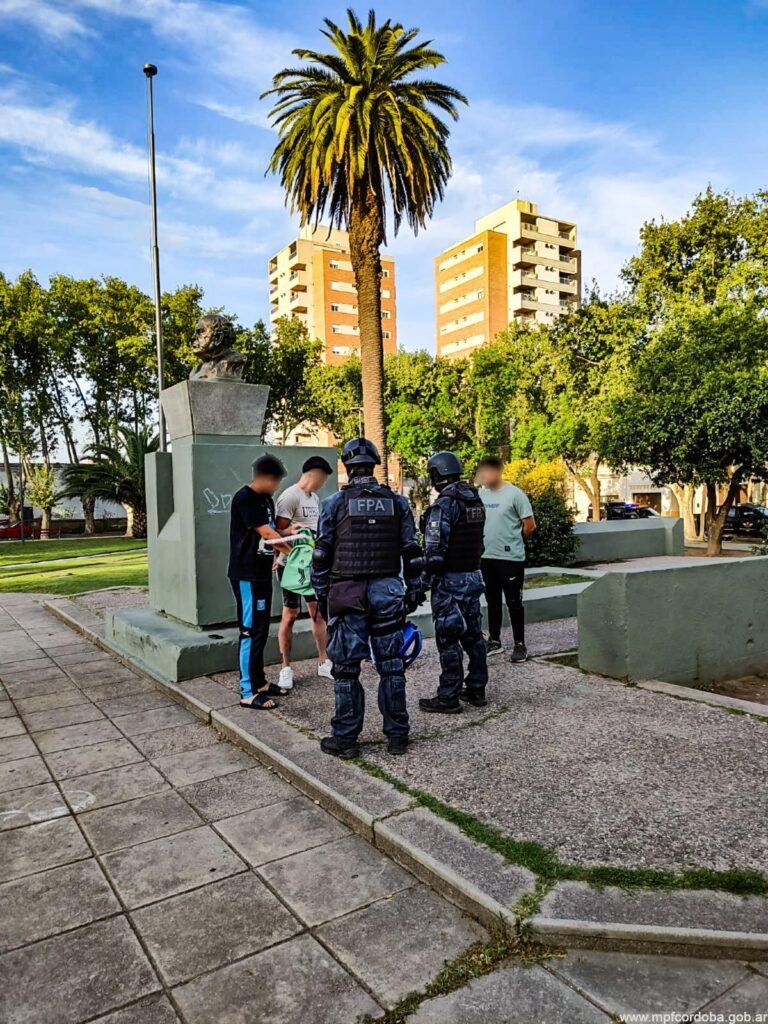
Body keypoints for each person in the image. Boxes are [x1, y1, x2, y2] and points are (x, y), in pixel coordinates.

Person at [311, 438, 424, 758]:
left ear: (347, 465)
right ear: (374, 464)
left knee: (346, 670)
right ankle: (398, 737)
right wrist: (415, 587)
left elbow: (321, 554)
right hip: (388, 591)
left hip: (347, 593)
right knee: (392, 666)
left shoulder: (333, 503)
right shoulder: (398, 503)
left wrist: (322, 594)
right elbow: (412, 552)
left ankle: (345, 740)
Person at [419, 451, 488, 713]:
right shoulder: (474, 499)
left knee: (448, 638)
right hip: (473, 576)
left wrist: (422, 584)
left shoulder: (445, 505)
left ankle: (448, 695)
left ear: (437, 474)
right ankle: (477, 688)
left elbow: (435, 554)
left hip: (450, 582)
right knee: (473, 636)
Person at [228, 454, 293, 710]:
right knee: (249, 631)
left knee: (261, 630)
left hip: (263, 572)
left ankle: (259, 682)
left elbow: (273, 530)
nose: (277, 488)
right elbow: (266, 533)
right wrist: (296, 553)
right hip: (246, 575)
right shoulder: (245, 498)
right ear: (265, 478)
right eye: (276, 482)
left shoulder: (265, 499)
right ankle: (246, 690)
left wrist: (292, 532)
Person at [275, 456, 335, 691]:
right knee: (289, 615)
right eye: (323, 477)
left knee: (317, 614)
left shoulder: (315, 498)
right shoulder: (289, 496)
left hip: (312, 566)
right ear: (315, 474)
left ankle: (324, 661)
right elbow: (277, 533)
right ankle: (285, 668)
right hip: (291, 567)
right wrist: (286, 558)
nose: (322, 483)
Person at [476, 456, 537, 663]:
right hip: (486, 557)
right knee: (492, 600)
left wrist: (515, 541)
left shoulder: (515, 495)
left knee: (513, 602)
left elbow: (530, 526)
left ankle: (520, 644)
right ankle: (494, 640)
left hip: (510, 559)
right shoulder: (480, 495)